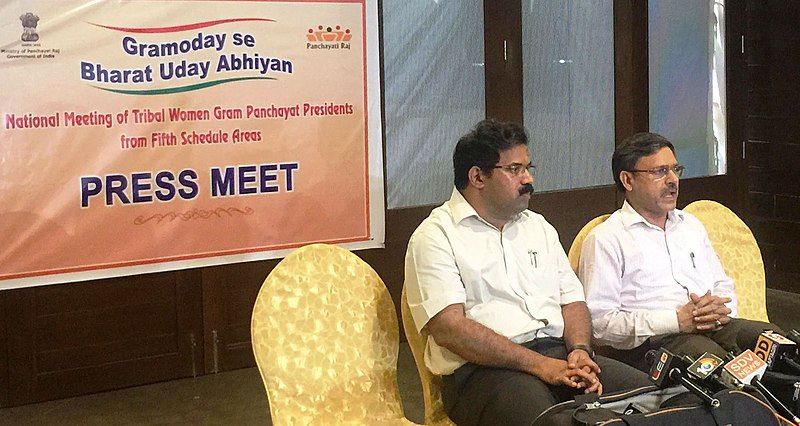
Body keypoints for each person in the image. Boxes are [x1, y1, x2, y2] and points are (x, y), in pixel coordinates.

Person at [404, 119, 651, 426]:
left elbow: (572, 301)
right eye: (515, 169)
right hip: (484, 372)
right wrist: (540, 365)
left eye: (528, 167)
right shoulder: (436, 236)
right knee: (557, 423)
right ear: (478, 176)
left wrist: (580, 352)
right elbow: (450, 329)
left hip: (558, 355)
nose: (528, 178)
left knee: (657, 403)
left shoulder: (538, 227)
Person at [579, 132, 783, 372]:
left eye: (676, 169)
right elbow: (600, 324)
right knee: (719, 368)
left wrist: (718, 310)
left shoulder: (691, 226)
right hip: (657, 342)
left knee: (778, 343)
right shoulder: (606, 239)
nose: (672, 179)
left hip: (716, 327)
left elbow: (722, 284)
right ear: (627, 180)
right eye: (659, 172)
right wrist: (677, 321)